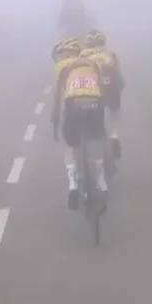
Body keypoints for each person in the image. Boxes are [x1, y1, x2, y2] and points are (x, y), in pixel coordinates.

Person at [50, 38, 110, 210]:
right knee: (97, 138)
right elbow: (103, 89)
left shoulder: (62, 66)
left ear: (67, 53)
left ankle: (73, 184)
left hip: (73, 104)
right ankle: (100, 179)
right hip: (95, 103)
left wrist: (55, 119)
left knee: (71, 144)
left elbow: (57, 97)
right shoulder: (93, 63)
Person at [80, 29, 125, 159]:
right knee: (115, 112)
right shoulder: (110, 53)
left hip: (92, 88)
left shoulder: (83, 54)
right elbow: (118, 71)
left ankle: (91, 136)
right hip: (111, 86)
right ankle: (114, 134)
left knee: (91, 115)